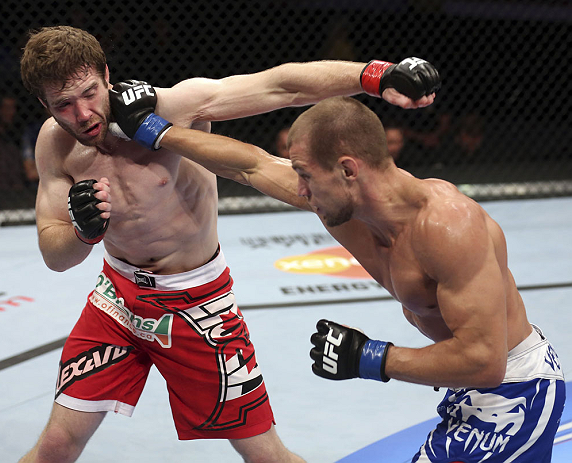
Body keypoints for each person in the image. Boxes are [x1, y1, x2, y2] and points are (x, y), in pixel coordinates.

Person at [18, 24, 438, 462]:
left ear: (107, 74)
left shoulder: (172, 106)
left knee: (265, 455)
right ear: (45, 105)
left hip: (197, 305)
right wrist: (82, 232)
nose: (83, 114)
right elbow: (55, 253)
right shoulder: (55, 144)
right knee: (56, 444)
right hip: (117, 300)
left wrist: (375, 75)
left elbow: (279, 85)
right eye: (64, 105)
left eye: (89, 93)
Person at [111, 94, 565, 462]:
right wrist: (157, 131)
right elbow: (250, 165)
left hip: (515, 391)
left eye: (306, 175)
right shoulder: (345, 204)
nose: (300, 189)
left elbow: (487, 362)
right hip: (469, 388)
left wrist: (370, 358)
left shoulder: (448, 227)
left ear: (348, 169)